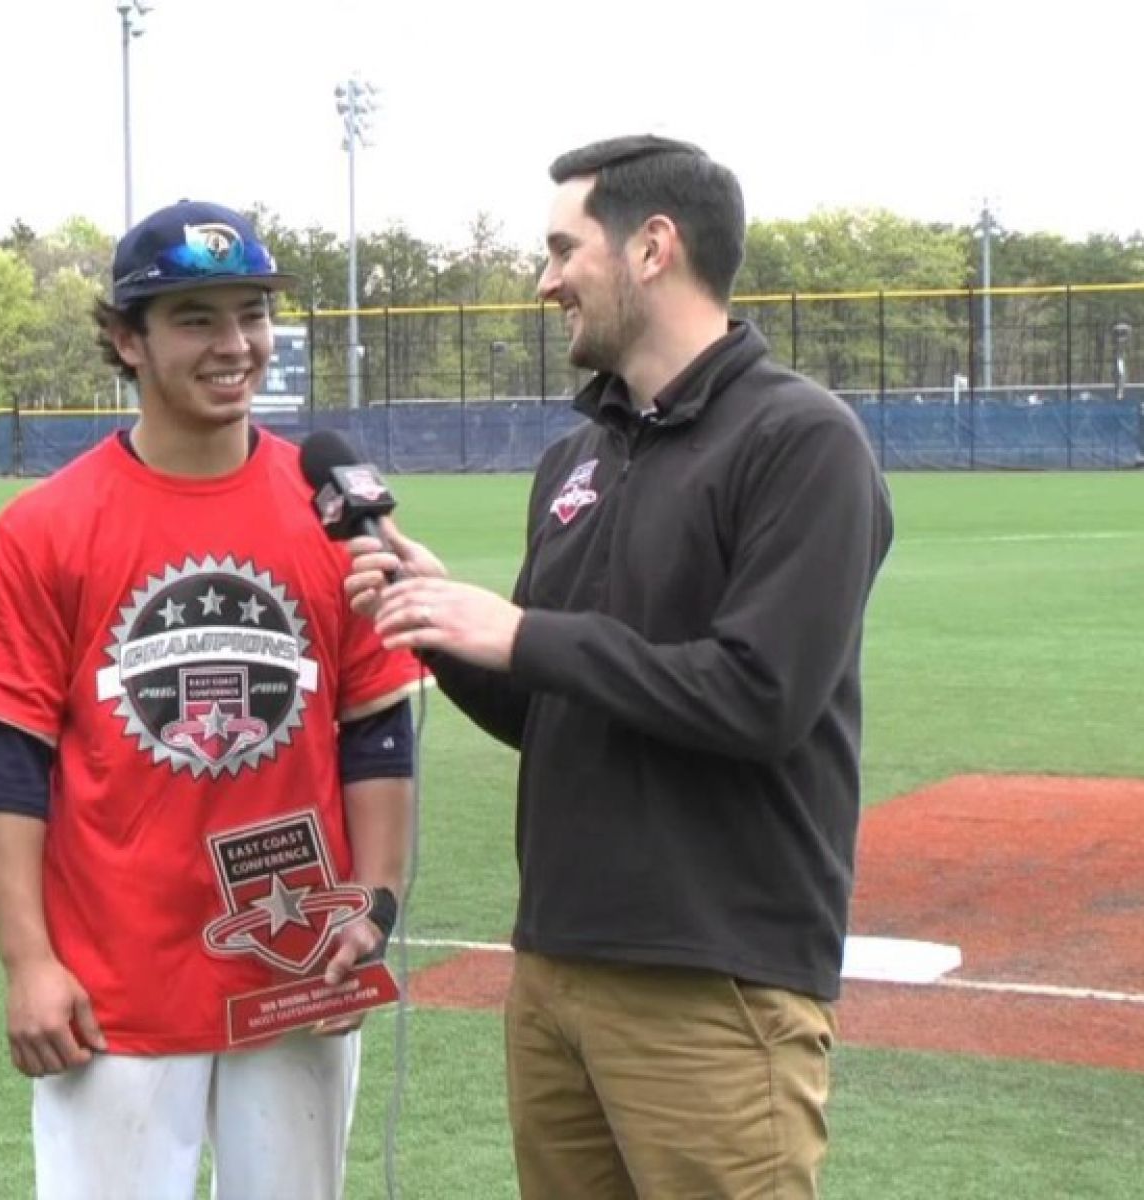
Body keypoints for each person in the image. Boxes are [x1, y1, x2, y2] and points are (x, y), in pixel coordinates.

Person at [344, 135, 893, 1199]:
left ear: (652, 247)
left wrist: (519, 634)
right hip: (554, 968)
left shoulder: (801, 439)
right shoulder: (578, 456)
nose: (545, 280)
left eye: (563, 249)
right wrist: (442, 627)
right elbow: (551, 703)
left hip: (712, 980)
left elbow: (760, 694)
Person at [0, 200, 427, 1199]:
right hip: (111, 989)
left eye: (251, 314)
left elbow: (376, 734)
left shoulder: (330, 507)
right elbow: (8, 769)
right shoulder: (45, 527)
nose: (235, 345)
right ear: (128, 340)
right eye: (196, 318)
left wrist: (373, 911)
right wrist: (27, 962)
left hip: (298, 967)